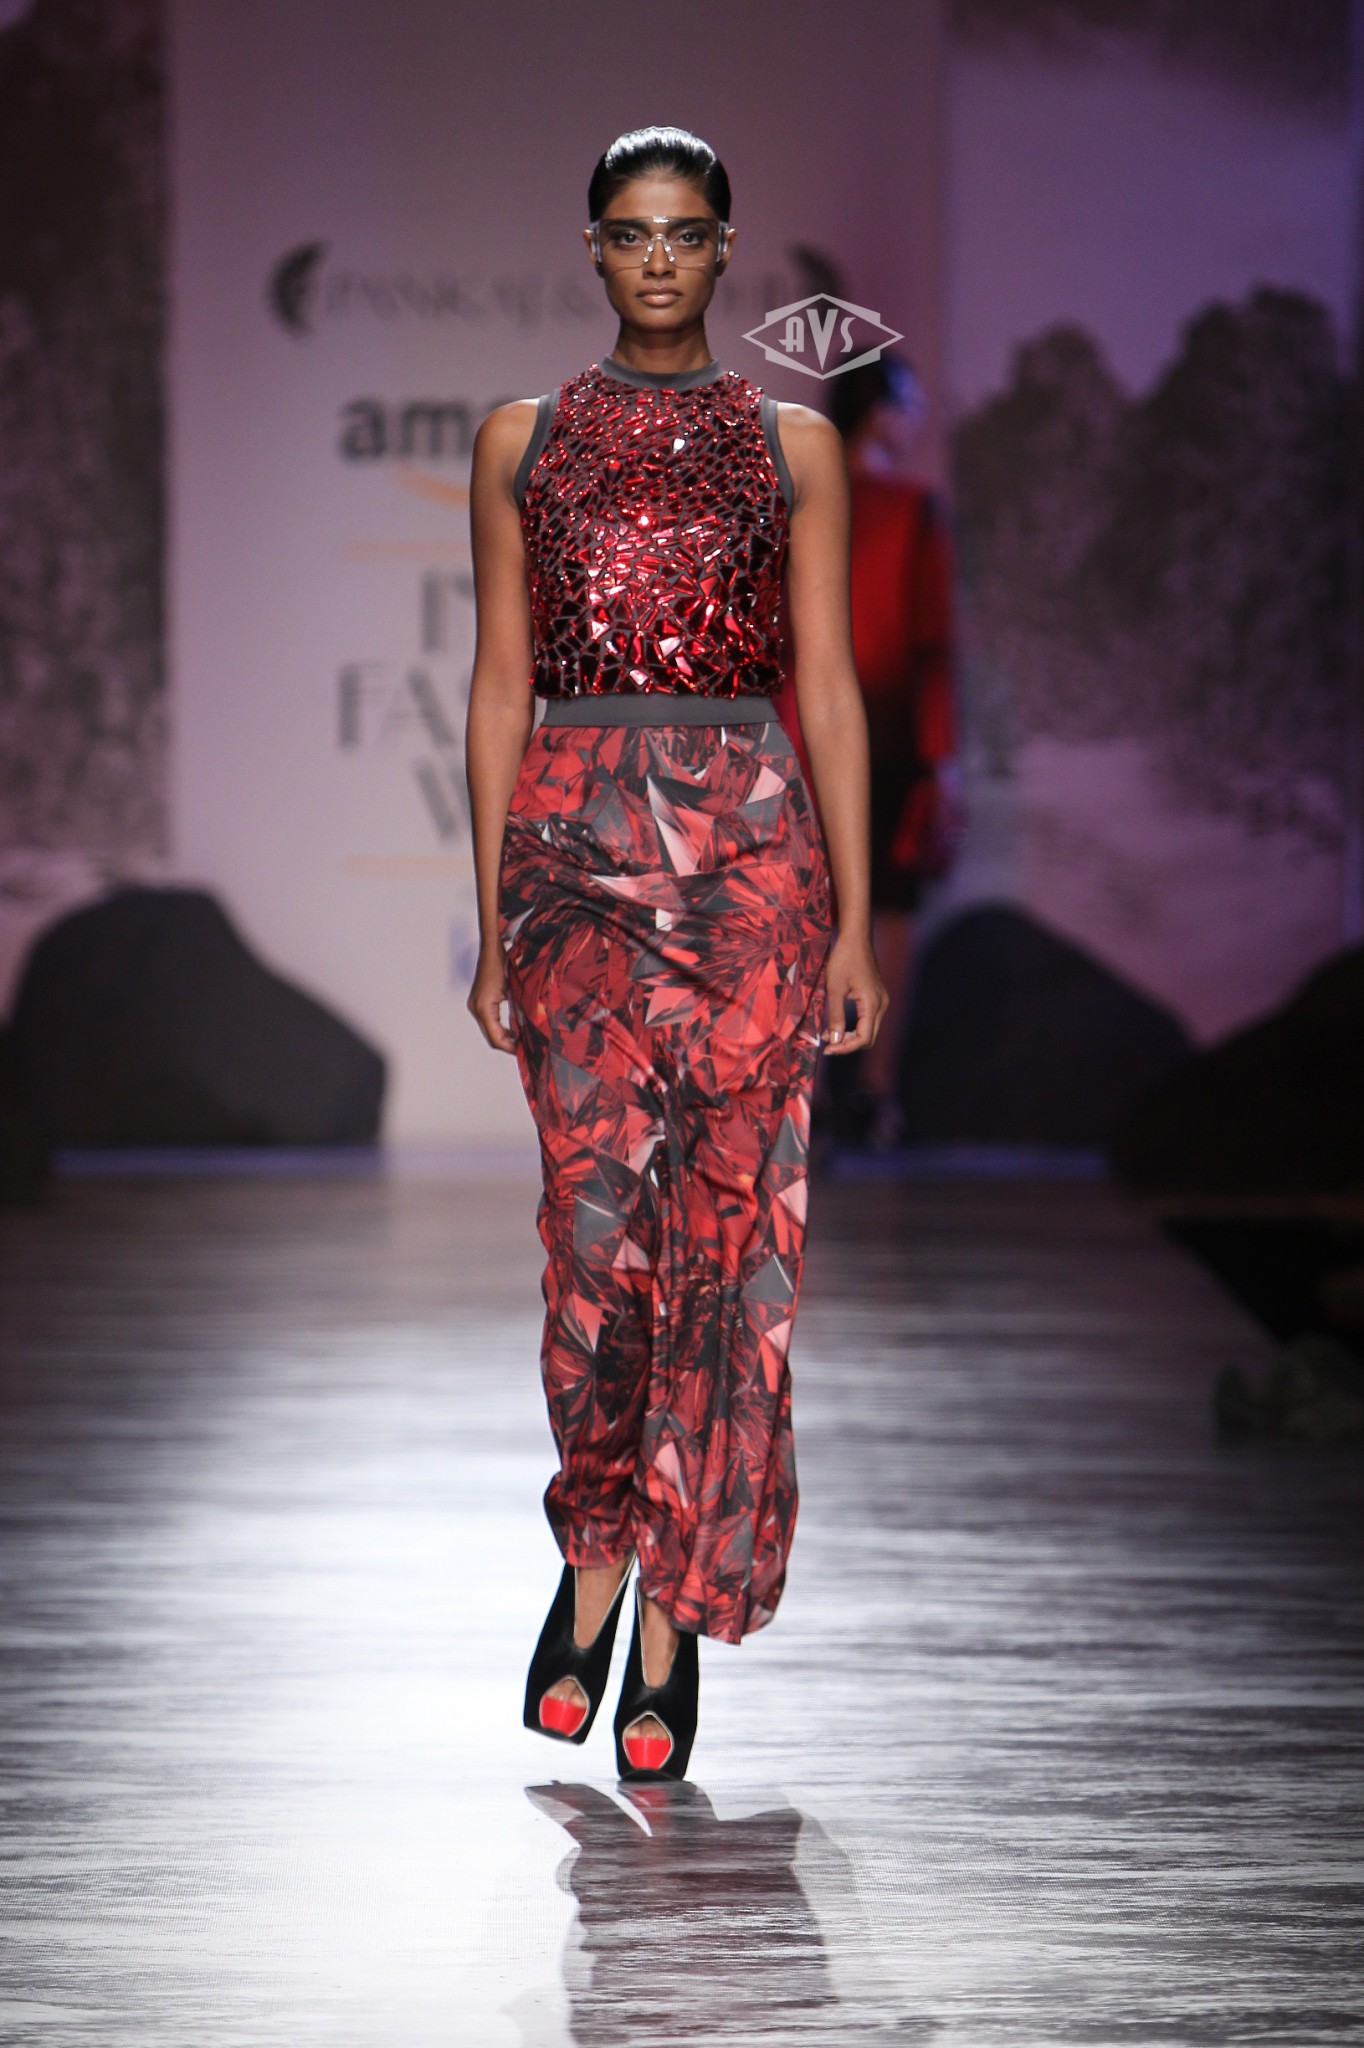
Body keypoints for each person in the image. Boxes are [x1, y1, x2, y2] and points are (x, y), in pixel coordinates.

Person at [464, 126, 884, 1782]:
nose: (658, 257)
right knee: (592, 1244)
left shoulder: (793, 445)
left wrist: (852, 919)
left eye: (686, 232)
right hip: (572, 852)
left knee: (731, 1245)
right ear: (592, 247)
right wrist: (491, 913)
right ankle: (592, 1544)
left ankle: (667, 1615)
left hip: (751, 864)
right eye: (631, 232)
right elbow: (500, 684)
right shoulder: (523, 438)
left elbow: (827, 685)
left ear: (724, 248)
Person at [776, 353, 961, 1152]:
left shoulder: (797, 502)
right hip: (884, 730)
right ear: (882, 410)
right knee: (890, 908)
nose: (917, 418)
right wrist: (941, 757)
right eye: (909, 401)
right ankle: (875, 1092)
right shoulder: (914, 508)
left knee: (811, 910)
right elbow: (932, 646)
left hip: (803, 732)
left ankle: (815, 1091)